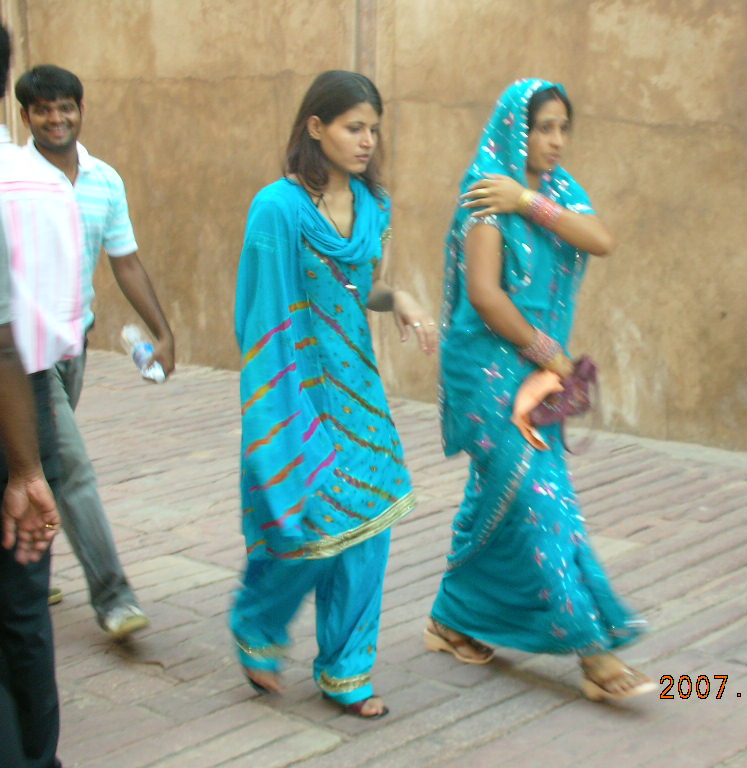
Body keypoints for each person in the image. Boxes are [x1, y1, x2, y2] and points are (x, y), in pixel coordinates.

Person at [427, 79, 653, 701]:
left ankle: (450, 618)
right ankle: (593, 649)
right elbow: (484, 295)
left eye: (561, 128)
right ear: (514, 129)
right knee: (542, 499)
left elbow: (601, 240)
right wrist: (550, 354)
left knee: (495, 499)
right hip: (488, 370)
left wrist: (528, 200)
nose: (554, 140)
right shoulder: (485, 193)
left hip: (536, 372)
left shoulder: (552, 190)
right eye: (541, 128)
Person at [230, 70, 436, 719]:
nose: (367, 140)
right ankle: (257, 622)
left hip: (357, 389)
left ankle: (348, 670)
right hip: (294, 390)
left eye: (373, 128)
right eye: (354, 127)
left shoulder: (375, 206)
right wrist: (272, 404)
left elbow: (360, 289)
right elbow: (260, 311)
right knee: (305, 519)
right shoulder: (277, 208)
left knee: (370, 521)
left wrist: (399, 298)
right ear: (315, 127)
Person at [14, 64, 176, 638]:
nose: (56, 119)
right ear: (26, 116)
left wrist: (162, 330)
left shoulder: (105, 180)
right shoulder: (14, 179)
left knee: (37, 462)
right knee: (71, 467)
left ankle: (21, 573)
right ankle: (114, 597)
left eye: (65, 107)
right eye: (43, 109)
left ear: (81, 110)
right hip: (22, 355)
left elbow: (124, 260)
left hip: (72, 346)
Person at [0, 22, 84, 768]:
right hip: (30, 401)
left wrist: (25, 470)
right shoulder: (43, 186)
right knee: (23, 603)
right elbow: (56, 327)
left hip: (17, 413)